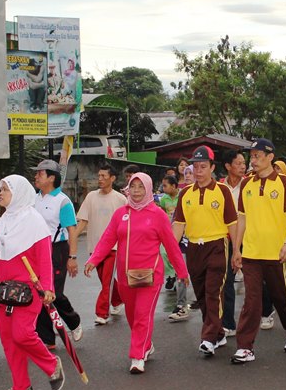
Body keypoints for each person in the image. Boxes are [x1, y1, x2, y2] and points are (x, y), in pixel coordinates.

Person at [0, 175, 64, 390]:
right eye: (0, 188)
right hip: (3, 293)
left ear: (18, 192)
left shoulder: (34, 221)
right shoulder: (1, 224)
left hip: (28, 292)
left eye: (5, 189)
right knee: (9, 342)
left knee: (22, 335)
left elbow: (44, 258)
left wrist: (48, 287)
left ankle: (51, 365)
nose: (0, 193)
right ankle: (21, 386)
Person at [84, 173, 189, 374]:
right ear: (128, 189)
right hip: (126, 278)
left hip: (151, 276)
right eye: (133, 187)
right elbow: (107, 239)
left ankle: (137, 356)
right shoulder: (120, 213)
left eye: (141, 187)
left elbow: (171, 246)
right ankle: (146, 345)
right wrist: (93, 260)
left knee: (142, 315)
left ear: (148, 189)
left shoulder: (157, 214)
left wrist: (182, 272)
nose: (137, 191)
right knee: (133, 317)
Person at [231, 138, 286, 364]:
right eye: (251, 156)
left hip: (277, 252)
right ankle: (245, 347)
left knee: (281, 296)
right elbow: (241, 218)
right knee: (252, 300)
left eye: (257, 155)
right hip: (252, 252)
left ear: (271, 156)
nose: (253, 160)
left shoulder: (284, 182)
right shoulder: (247, 184)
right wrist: (236, 248)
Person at [172, 146, 238, 356]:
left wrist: (237, 251)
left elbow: (233, 223)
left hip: (217, 245)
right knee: (201, 295)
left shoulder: (223, 190)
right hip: (193, 247)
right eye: (196, 166)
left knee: (213, 292)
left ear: (212, 167)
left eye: (203, 166)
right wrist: (173, 254)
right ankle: (218, 334)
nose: (199, 171)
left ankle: (208, 338)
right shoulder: (186, 194)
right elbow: (179, 224)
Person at [32, 160, 83, 347]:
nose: (36, 177)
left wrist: (73, 257)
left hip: (57, 249)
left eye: (40, 174)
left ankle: (73, 321)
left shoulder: (62, 201)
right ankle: (47, 339)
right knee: (40, 294)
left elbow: (72, 230)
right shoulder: (34, 198)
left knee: (55, 293)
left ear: (52, 178)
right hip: (37, 251)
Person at [75, 164, 127, 325]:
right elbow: (83, 220)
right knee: (106, 280)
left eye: (104, 176)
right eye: (99, 176)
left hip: (113, 248)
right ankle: (118, 300)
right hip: (95, 248)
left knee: (106, 281)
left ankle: (101, 313)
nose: (100, 179)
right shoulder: (91, 196)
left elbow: (127, 223)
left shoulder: (120, 199)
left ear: (112, 178)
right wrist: (73, 237)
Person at [220, 149, 249, 335]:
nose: (243, 166)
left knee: (259, 280)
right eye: (238, 163)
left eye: (244, 163)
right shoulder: (220, 188)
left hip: (251, 237)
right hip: (229, 239)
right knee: (227, 281)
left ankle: (266, 311)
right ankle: (228, 323)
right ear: (228, 166)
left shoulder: (250, 185)